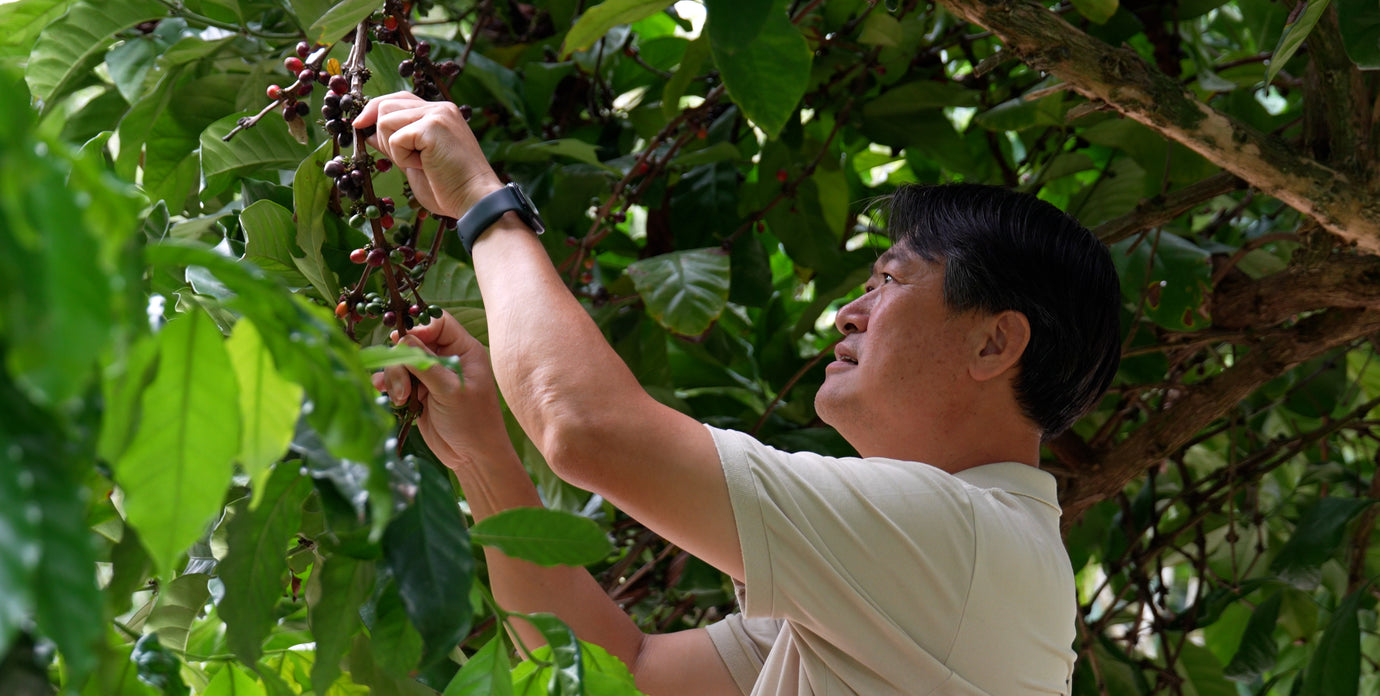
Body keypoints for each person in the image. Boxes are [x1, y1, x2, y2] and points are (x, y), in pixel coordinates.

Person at [356, 92, 1123, 695]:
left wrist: (484, 204)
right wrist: (482, 456)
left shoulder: (960, 544)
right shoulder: (940, 564)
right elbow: (623, 674)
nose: (849, 312)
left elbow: (586, 427)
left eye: (890, 279)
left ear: (993, 343)